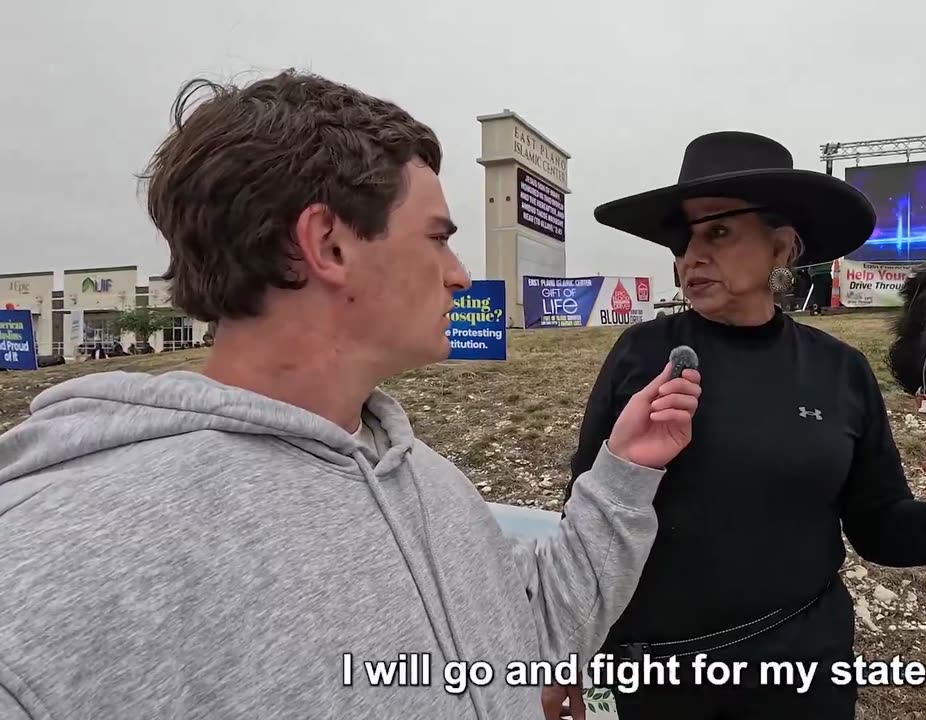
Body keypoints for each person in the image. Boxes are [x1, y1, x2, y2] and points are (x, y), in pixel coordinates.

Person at [0, 70, 703, 720]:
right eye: (437, 238)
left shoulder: (428, 484)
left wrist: (624, 470)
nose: (460, 275)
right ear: (328, 244)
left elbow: (536, 637)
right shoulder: (56, 567)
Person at [541, 131, 926, 719]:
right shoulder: (641, 354)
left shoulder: (839, 370)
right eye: (683, 237)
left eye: (718, 231)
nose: (692, 255)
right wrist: (562, 653)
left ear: (782, 247)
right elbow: (586, 512)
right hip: (660, 682)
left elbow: (879, 527)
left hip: (805, 676)